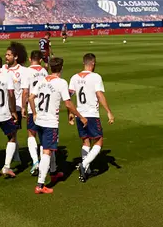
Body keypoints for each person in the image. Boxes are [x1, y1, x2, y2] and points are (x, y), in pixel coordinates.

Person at [30, 57, 87, 194]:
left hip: (40, 121)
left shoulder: (42, 80)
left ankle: (54, 173)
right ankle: (40, 184)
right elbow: (68, 103)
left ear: (50, 68)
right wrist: (81, 117)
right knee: (47, 151)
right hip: (50, 123)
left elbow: (31, 97)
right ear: (61, 68)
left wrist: (34, 113)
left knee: (47, 147)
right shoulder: (61, 83)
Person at [68, 53, 115, 183]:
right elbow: (99, 95)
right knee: (99, 141)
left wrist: (70, 113)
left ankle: (86, 170)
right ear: (93, 63)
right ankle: (84, 165)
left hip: (79, 114)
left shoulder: (74, 77)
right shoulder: (96, 77)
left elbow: (68, 97)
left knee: (85, 141)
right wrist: (109, 112)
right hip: (92, 115)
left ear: (84, 63)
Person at [2, 42, 31, 168]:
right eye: (5, 55)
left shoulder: (23, 71)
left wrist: (24, 106)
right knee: (11, 134)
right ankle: (15, 154)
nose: (6, 57)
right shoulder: (3, 69)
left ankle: (15, 156)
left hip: (17, 107)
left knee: (13, 133)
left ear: (16, 57)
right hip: (4, 107)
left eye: (8, 55)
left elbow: (26, 89)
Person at [25, 50, 49, 176]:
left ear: (30, 59)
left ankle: (35, 162)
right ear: (40, 59)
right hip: (44, 107)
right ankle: (44, 163)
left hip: (32, 106)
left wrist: (24, 106)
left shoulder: (27, 71)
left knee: (31, 133)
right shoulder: (44, 71)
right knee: (42, 134)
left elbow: (25, 91)